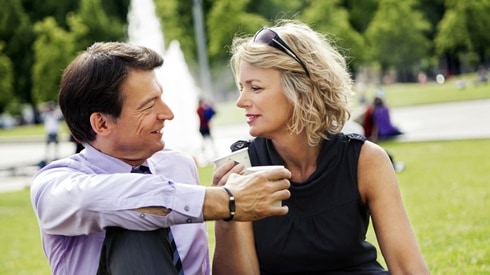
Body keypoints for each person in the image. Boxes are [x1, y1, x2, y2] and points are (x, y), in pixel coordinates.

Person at [30, 42, 292, 275]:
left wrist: (228, 218)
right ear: (101, 123)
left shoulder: (178, 166)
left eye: (161, 99)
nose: (168, 114)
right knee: (134, 218)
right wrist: (223, 200)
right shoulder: (55, 184)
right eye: (148, 106)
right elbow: (120, 197)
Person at [212, 20, 429, 274]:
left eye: (255, 88)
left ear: (300, 90)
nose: (240, 101)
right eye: (241, 88)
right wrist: (225, 213)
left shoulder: (365, 160)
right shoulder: (242, 169)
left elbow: (407, 268)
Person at [197, 97, 217, 161]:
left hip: (204, 127)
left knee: (207, 141)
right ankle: (205, 155)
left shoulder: (201, 109)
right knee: (206, 142)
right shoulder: (200, 109)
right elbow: (206, 116)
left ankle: (208, 154)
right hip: (204, 127)